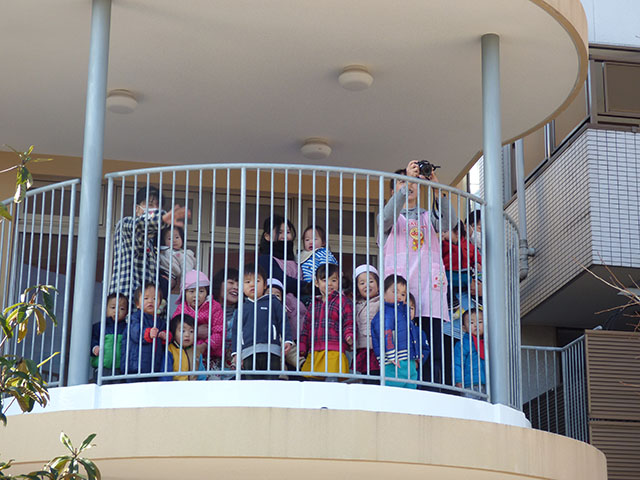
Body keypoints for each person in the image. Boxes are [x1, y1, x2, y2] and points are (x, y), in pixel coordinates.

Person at [379, 160, 455, 388]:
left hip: (429, 297)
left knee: (430, 352)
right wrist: (406, 184)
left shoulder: (427, 217)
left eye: (412, 182)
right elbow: (386, 218)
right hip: (400, 298)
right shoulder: (388, 218)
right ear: (393, 192)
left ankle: (429, 393)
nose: (409, 185)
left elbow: (450, 222)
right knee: (402, 352)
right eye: (402, 182)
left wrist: (437, 188)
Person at [109, 186, 189, 298]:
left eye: (158, 205)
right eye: (150, 204)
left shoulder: (153, 242)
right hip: (126, 300)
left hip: (146, 304)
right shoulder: (126, 224)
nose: (155, 209)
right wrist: (162, 219)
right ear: (137, 209)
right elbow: (141, 225)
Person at [231, 264, 293, 379]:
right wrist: (236, 352)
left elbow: (283, 321)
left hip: (272, 350)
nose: (252, 284)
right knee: (252, 383)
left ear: (265, 285)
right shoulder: (242, 308)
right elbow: (236, 331)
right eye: (247, 282)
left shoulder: (273, 302)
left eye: (257, 281)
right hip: (248, 352)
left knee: (271, 382)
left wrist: (287, 339)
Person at [299, 263, 354, 379]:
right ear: (316, 283)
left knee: (332, 381)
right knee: (311, 382)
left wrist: (349, 334)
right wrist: (302, 345)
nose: (329, 284)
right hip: (314, 350)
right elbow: (306, 328)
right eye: (324, 280)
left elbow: (349, 322)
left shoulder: (343, 301)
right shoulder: (313, 304)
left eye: (334, 280)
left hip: (334, 350)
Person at [371, 275, 426, 389]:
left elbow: (411, 335)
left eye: (403, 294)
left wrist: (416, 353)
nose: (399, 296)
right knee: (394, 391)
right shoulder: (386, 313)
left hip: (408, 360)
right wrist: (391, 354)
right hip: (393, 362)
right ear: (383, 294)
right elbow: (386, 334)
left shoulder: (403, 314)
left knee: (410, 389)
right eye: (395, 292)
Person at [172, 270, 224, 372]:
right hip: (187, 354)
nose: (196, 295)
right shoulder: (181, 309)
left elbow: (220, 331)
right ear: (184, 293)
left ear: (207, 292)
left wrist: (205, 346)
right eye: (191, 291)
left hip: (211, 355)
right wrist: (196, 332)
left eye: (201, 291)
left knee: (212, 380)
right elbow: (175, 331)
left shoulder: (214, 307)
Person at [120, 283, 169, 381]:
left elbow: (166, 335)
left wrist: (165, 336)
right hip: (135, 366)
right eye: (146, 298)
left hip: (153, 367)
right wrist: (148, 334)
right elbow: (135, 333)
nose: (150, 301)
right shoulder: (135, 317)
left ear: (159, 304)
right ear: (137, 304)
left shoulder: (160, 321)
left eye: (154, 298)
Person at [441, 221, 482, 312]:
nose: (443, 234)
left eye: (445, 231)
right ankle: (452, 303)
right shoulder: (444, 244)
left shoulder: (468, 245)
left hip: (466, 271)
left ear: (457, 233)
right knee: (447, 287)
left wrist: (477, 262)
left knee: (475, 282)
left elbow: (475, 254)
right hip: (450, 272)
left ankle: (479, 300)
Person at [266, 277, 306, 369]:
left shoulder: (281, 314)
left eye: (277, 295)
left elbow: (290, 347)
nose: (273, 297)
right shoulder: (255, 311)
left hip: (278, 346)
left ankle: (302, 364)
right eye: (268, 293)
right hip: (259, 350)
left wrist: (301, 362)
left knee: (287, 346)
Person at [257, 215, 300, 296]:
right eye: (279, 232)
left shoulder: (296, 259)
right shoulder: (265, 259)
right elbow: (283, 281)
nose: (285, 236)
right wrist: (310, 286)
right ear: (267, 236)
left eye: (288, 232)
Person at [90, 293, 128, 377]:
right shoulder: (100, 327)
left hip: (120, 368)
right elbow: (91, 340)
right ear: (105, 309)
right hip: (102, 367)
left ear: (126, 312)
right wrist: (94, 348)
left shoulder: (127, 328)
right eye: (113, 307)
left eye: (122, 308)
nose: (116, 311)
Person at [353, 264, 381, 378]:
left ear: (378, 285)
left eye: (371, 281)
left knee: (375, 377)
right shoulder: (356, 304)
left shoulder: (381, 302)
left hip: (375, 349)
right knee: (364, 378)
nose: (367, 285)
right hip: (361, 348)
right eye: (362, 283)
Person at [161, 314, 206, 381]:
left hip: (193, 386)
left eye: (191, 331)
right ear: (174, 333)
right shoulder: (170, 350)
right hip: (175, 386)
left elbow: (201, 374)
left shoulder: (196, 351)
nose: (187, 335)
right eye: (183, 331)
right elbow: (166, 375)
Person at [211, 267, 239, 371]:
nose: (236, 287)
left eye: (239, 284)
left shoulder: (245, 312)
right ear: (219, 284)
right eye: (231, 282)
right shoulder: (206, 309)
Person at [454, 308, 486, 396]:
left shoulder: (487, 342)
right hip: (470, 384)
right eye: (471, 323)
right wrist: (458, 380)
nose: (476, 325)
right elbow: (458, 363)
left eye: (480, 322)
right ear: (464, 328)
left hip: (487, 383)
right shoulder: (463, 344)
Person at [158, 225, 196, 299]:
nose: (174, 240)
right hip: (157, 273)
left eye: (177, 237)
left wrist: (184, 288)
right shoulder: (161, 250)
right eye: (169, 238)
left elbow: (186, 271)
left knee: (161, 294)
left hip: (169, 276)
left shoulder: (184, 254)